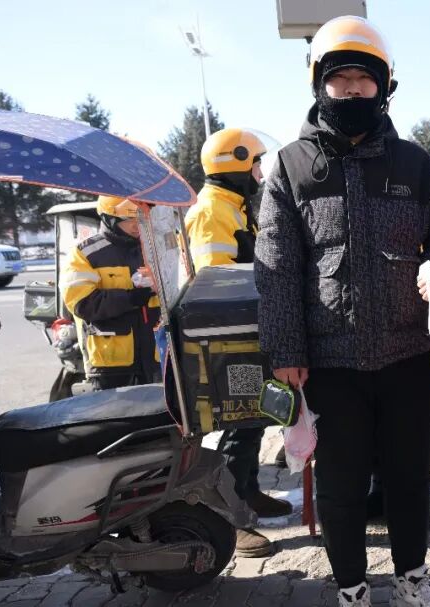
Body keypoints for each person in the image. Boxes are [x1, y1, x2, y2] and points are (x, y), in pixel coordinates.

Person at [254, 15, 430, 607]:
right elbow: (275, 269)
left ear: (384, 87)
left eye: (363, 80)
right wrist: (286, 351)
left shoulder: (415, 164)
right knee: (341, 486)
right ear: (319, 84)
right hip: (329, 362)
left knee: (409, 477)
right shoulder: (289, 167)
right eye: (339, 79)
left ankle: (412, 580)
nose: (351, 90)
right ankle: (351, 589)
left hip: (407, 354)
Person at [184, 127, 291, 558]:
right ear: (236, 163)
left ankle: (247, 491)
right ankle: (230, 516)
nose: (261, 173)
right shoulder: (212, 210)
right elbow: (217, 281)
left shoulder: (234, 207)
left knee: (255, 418)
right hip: (228, 341)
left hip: (247, 333)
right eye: (257, 164)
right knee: (240, 421)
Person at [62, 196, 159, 389]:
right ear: (110, 219)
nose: (136, 224)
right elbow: (82, 303)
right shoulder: (85, 253)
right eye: (128, 219)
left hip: (158, 357)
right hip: (110, 364)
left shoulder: (156, 247)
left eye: (140, 217)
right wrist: (130, 298)